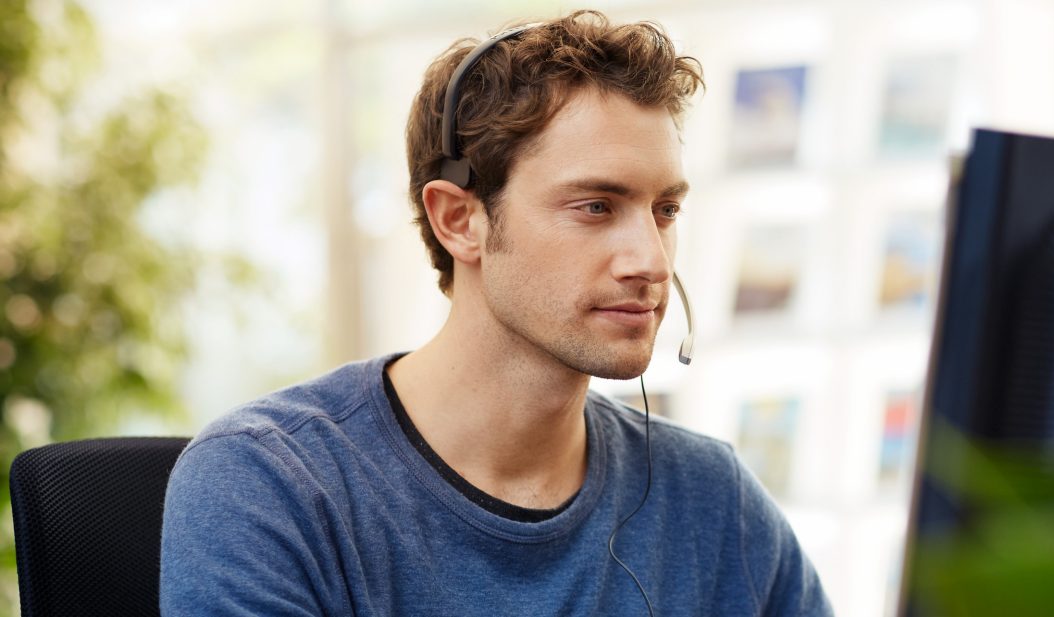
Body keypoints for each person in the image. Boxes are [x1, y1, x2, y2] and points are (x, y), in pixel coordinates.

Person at [160, 11, 832, 616]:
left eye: (665, 211)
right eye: (596, 206)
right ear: (459, 219)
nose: (651, 260)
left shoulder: (712, 500)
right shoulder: (269, 485)